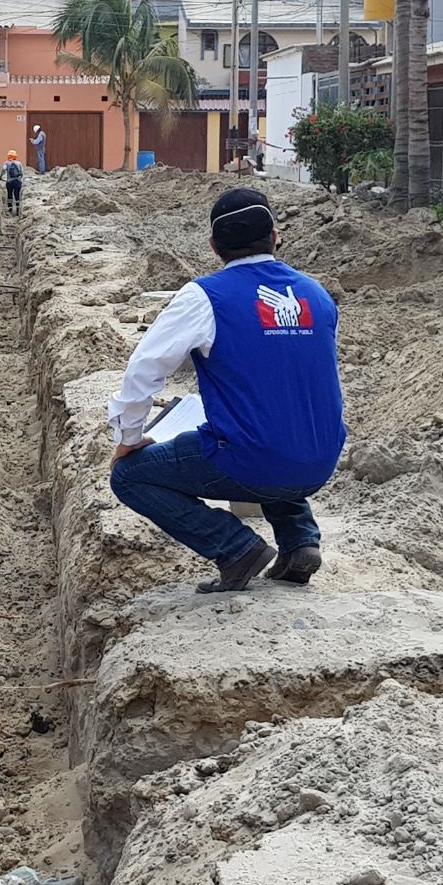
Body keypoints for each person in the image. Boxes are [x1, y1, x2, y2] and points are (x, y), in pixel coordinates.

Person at [107, 188, 346, 592]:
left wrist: (128, 438)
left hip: (253, 462)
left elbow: (144, 369)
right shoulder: (317, 294)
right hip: (321, 461)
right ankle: (300, 542)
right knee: (273, 427)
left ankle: (235, 547)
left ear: (214, 246)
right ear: (275, 236)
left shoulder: (205, 297)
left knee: (129, 477)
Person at [0, 149, 24, 214]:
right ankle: (18, 210)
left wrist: (0, 177)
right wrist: (20, 180)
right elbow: (22, 173)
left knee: (9, 195)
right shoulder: (19, 163)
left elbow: (3, 169)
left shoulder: (6, 163)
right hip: (17, 182)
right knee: (17, 195)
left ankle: (10, 209)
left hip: (9, 182)